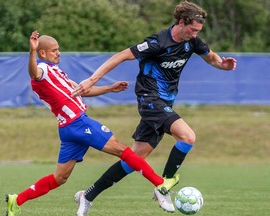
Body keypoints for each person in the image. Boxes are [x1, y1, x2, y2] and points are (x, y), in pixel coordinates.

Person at [72, 0, 237, 214]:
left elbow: (211, 56)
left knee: (134, 159)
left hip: (165, 103)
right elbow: (121, 56)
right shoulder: (157, 42)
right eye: (193, 29)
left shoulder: (193, 42)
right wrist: (91, 80)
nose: (196, 34)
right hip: (149, 99)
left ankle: (88, 195)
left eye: (198, 31)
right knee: (188, 136)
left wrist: (222, 65)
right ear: (181, 22)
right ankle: (164, 185)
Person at [5, 30, 179, 216]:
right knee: (122, 150)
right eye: (54, 50)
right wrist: (31, 52)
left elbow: (82, 90)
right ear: (42, 53)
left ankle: (17, 200)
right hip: (78, 124)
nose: (58, 53)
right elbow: (33, 72)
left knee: (59, 178)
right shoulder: (42, 70)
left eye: (59, 49)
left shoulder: (55, 71)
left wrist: (109, 88)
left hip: (68, 129)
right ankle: (160, 185)